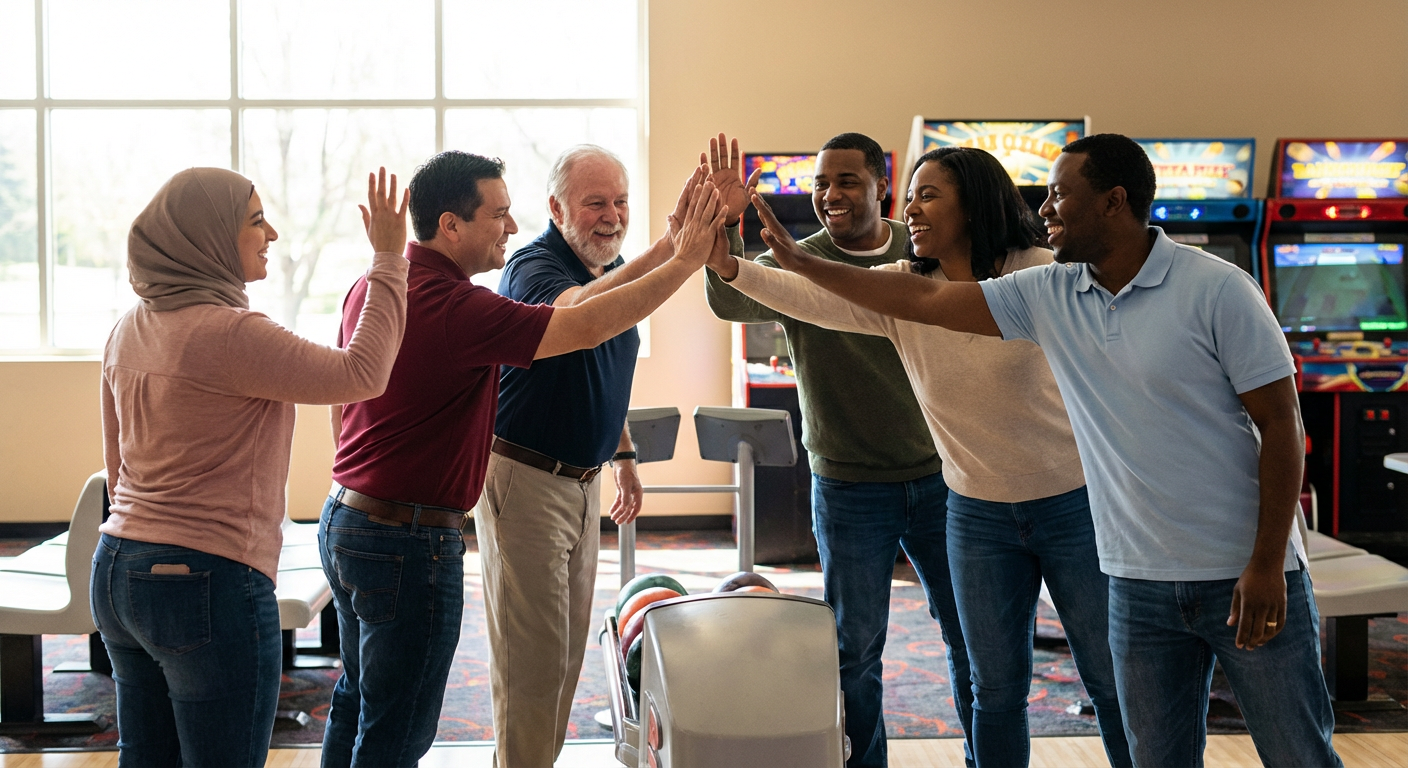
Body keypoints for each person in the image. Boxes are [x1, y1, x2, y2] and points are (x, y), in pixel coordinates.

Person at [747, 133, 1341, 767]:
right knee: (1144, 751)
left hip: (1230, 565)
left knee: (1295, 753)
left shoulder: (1214, 288)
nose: (1047, 207)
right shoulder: (1051, 294)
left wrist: (1268, 562)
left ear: (1113, 203)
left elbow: (1282, 425)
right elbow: (919, 298)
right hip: (1131, 569)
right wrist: (791, 261)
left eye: (1060, 194)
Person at [706, 146, 1131, 767]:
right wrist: (729, 254)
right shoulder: (907, 288)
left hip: (1068, 504)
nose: (909, 210)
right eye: (909, 196)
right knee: (996, 690)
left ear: (975, 204)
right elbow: (805, 298)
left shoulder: (1044, 273)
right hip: (977, 511)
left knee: (1109, 678)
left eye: (926, 196)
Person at [319, 150, 726, 768]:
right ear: (452, 226)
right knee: (399, 728)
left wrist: (673, 244)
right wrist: (685, 255)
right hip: (409, 535)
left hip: (349, 516)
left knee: (361, 700)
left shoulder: (380, 282)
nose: (511, 227)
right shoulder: (459, 306)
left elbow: (343, 395)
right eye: (500, 214)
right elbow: (579, 323)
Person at [93, 167, 410, 768]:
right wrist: (389, 259)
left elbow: (117, 467)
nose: (272, 233)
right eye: (256, 219)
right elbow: (362, 374)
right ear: (209, 235)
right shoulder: (232, 334)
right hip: (205, 580)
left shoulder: (128, 327)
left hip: (117, 570)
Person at [704, 132, 970, 768]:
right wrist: (725, 223)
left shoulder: (923, 251)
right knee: (854, 647)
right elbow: (726, 297)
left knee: (969, 635)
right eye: (821, 184)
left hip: (943, 478)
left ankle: (985, 754)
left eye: (847, 181)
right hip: (850, 487)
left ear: (883, 185)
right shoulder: (797, 258)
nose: (830, 195)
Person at [482, 145, 700, 764]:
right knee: (532, 666)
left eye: (622, 201)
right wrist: (677, 258)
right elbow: (578, 320)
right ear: (556, 208)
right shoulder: (533, 265)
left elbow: (606, 373)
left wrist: (623, 455)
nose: (612, 215)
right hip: (525, 480)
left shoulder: (611, 270)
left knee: (565, 657)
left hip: (580, 483)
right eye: (596, 202)